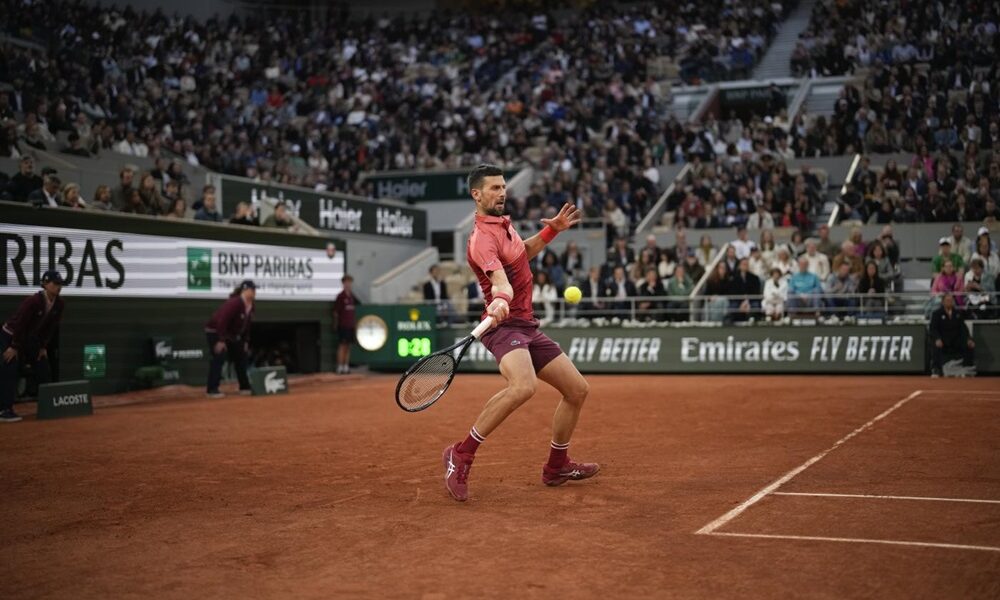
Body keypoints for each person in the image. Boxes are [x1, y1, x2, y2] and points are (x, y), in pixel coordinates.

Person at [443, 164, 596, 503]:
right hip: (503, 326)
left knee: (577, 390)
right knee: (523, 386)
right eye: (494, 188)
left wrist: (551, 232)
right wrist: (499, 299)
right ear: (476, 195)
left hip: (525, 323)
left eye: (503, 187)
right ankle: (461, 454)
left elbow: (520, 256)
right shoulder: (481, 238)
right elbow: (499, 281)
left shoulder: (503, 227)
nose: (502, 193)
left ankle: (557, 466)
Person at [0, 271, 65, 422]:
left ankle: (50, 406)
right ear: (45, 284)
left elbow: (50, 327)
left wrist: (42, 346)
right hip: (10, 335)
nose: (58, 287)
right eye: (55, 284)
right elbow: (21, 325)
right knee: (10, 366)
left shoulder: (60, 304)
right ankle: (4, 410)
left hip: (30, 338)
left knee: (42, 366)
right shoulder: (33, 301)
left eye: (60, 284)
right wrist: (14, 346)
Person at [204, 280, 255, 398]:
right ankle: (211, 390)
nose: (254, 292)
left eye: (254, 290)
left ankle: (244, 387)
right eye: (252, 290)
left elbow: (247, 325)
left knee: (241, 357)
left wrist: (246, 341)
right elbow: (222, 321)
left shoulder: (251, 305)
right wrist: (221, 340)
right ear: (245, 290)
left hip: (231, 334)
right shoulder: (235, 303)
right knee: (219, 357)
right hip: (215, 331)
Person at [929, 293, 975, 377]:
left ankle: (967, 368)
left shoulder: (958, 313)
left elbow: (963, 329)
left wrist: (968, 339)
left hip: (955, 339)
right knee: (935, 345)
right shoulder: (937, 314)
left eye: (951, 301)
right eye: (947, 300)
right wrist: (937, 338)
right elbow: (933, 329)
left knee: (969, 344)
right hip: (943, 339)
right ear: (943, 302)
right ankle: (936, 369)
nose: (950, 302)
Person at [333, 274, 360, 375]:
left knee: (348, 346)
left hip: (351, 325)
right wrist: (336, 324)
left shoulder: (352, 297)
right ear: (343, 284)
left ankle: (345, 366)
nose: (348, 284)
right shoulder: (340, 296)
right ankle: (339, 367)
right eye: (346, 282)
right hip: (343, 325)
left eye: (350, 282)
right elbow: (335, 312)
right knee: (342, 346)